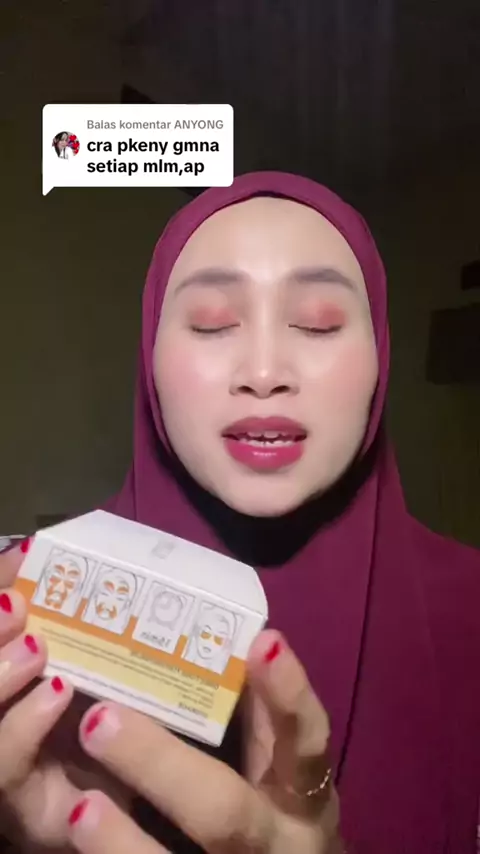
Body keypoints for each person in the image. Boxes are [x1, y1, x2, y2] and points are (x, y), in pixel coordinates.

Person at [0, 171, 478, 854]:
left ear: (381, 355)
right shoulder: (34, 610)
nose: (263, 371)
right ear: (149, 359)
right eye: (212, 323)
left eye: (318, 322)